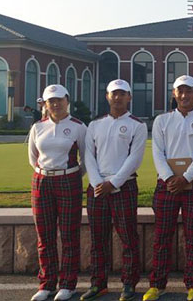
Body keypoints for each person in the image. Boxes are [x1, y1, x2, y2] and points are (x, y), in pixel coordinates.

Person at [143, 75, 193, 301]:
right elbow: (157, 152)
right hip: (167, 185)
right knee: (162, 236)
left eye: (189, 91)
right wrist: (169, 178)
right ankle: (157, 284)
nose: (184, 95)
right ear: (174, 94)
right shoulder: (162, 120)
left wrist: (185, 178)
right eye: (180, 91)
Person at [80, 79, 147, 301]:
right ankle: (98, 284)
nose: (117, 97)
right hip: (98, 187)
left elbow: (134, 159)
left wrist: (114, 183)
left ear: (129, 97)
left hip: (124, 186)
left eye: (122, 94)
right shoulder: (95, 125)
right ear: (107, 97)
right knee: (98, 239)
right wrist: (97, 182)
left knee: (128, 238)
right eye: (113, 94)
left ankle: (129, 284)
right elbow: (89, 156)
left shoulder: (137, 125)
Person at [28, 85, 87, 301]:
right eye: (50, 101)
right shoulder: (38, 127)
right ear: (45, 104)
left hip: (68, 180)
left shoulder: (78, 126)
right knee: (45, 236)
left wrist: (70, 175)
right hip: (42, 181)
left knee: (69, 235)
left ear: (67, 100)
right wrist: (47, 173)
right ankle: (47, 284)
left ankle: (68, 284)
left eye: (59, 100)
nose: (55, 104)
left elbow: (85, 158)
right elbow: (33, 158)